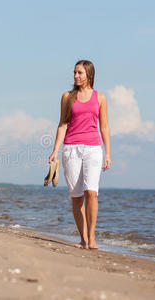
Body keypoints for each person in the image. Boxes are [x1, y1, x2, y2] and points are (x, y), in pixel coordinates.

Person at [48, 60, 111, 250]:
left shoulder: (100, 98)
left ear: (89, 75)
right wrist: (55, 150)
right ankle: (83, 239)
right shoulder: (67, 97)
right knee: (76, 197)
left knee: (91, 192)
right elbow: (62, 124)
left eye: (80, 73)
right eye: (75, 72)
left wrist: (108, 152)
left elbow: (105, 126)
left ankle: (91, 238)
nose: (76, 76)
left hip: (93, 149)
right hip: (71, 149)